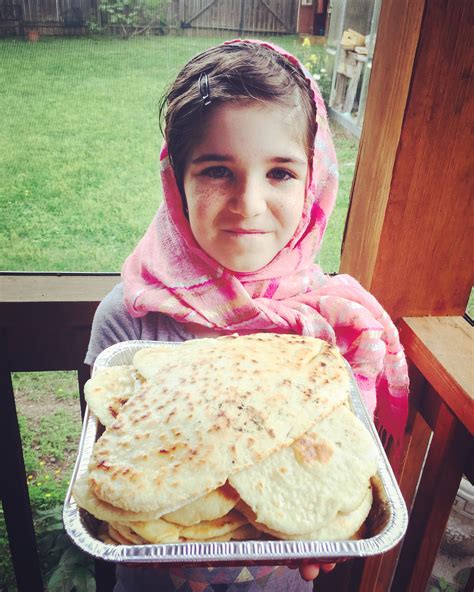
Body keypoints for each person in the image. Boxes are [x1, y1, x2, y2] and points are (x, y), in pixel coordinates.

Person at [85, 39, 409, 592]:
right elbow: (110, 471)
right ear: (176, 182)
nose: (249, 203)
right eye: (216, 171)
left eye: (280, 173)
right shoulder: (130, 321)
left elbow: (342, 460)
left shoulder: (329, 326)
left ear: (315, 182)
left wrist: (332, 526)